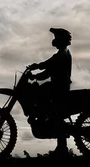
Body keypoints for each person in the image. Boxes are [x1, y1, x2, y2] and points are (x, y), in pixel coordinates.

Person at [28, 27, 72, 155]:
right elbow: (49, 65)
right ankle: (61, 147)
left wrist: (36, 73)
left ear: (61, 39)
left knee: (51, 108)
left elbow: (49, 69)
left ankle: (61, 147)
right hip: (58, 86)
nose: (54, 40)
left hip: (59, 87)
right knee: (54, 113)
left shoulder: (63, 54)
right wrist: (37, 67)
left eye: (56, 37)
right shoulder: (62, 53)